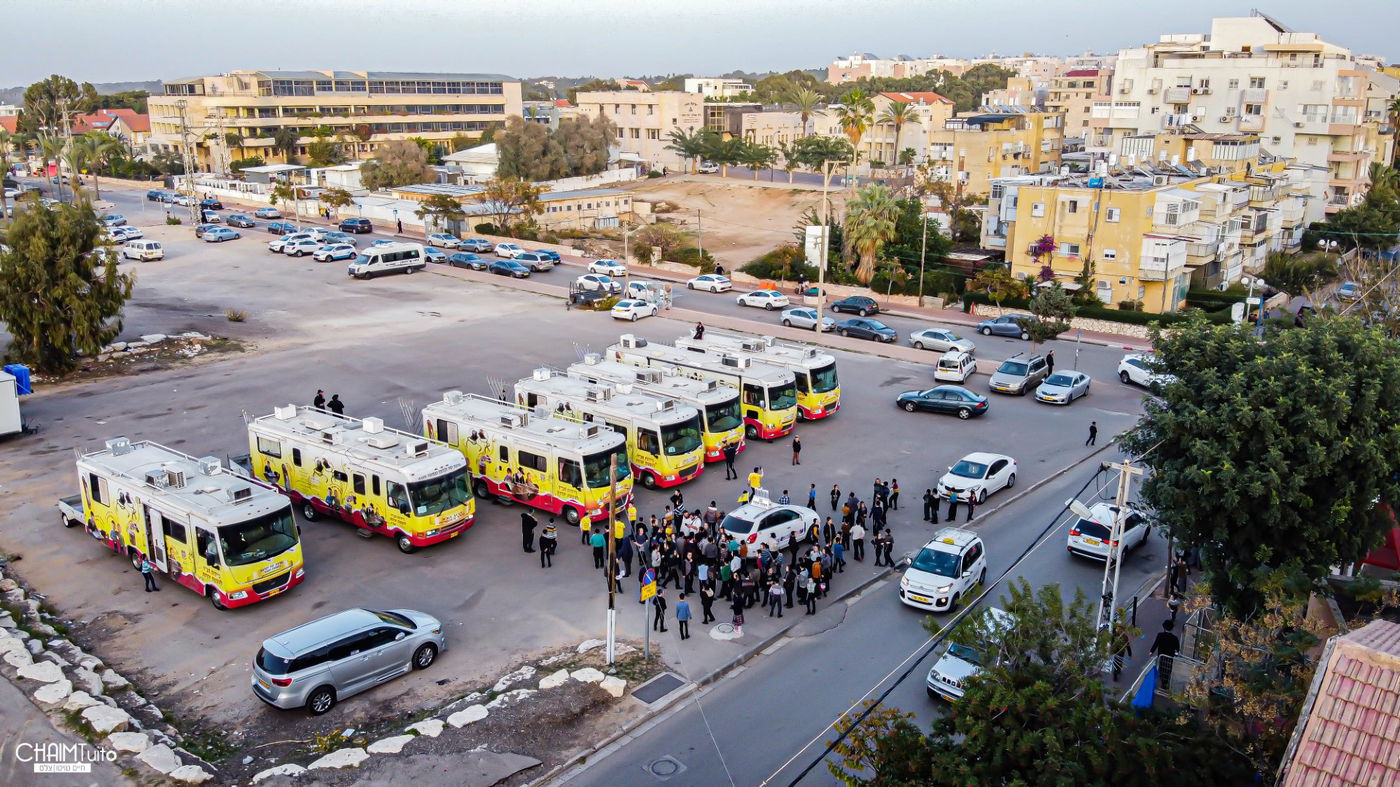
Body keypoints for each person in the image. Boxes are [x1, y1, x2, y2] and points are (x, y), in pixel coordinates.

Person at [1148, 619, 1181, 690]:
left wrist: (1151, 651)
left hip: (1161, 656)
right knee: (1168, 669)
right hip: (1170, 657)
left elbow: (1156, 644)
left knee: (1161, 668)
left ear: (1164, 627)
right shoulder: (1175, 638)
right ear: (1172, 628)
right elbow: (1177, 649)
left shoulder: (1160, 635)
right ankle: (1165, 682)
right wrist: (1176, 654)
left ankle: (1163, 682)